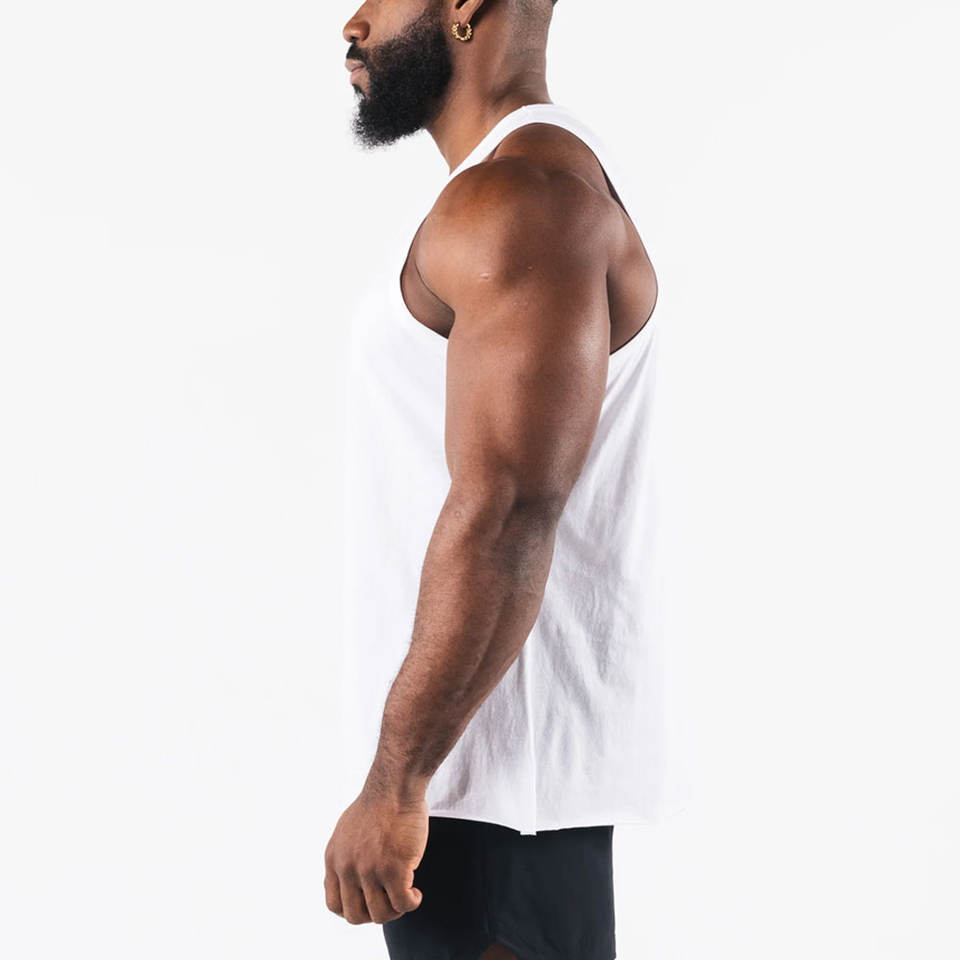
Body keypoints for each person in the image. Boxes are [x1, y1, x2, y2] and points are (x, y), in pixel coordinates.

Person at [326, 1, 676, 957]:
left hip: (493, 807)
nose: (354, 22)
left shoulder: (524, 199)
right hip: (478, 792)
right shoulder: (508, 191)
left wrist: (397, 782)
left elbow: (510, 509)